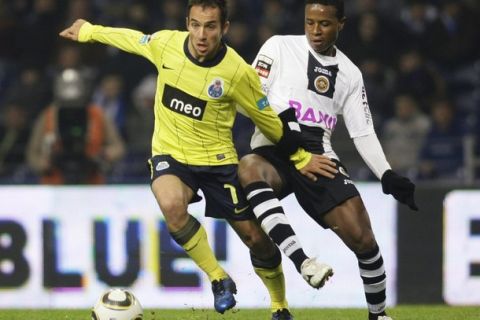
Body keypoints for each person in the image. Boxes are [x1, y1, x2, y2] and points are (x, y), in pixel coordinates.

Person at [59, 1, 336, 319]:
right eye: (195, 24)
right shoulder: (167, 45)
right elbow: (132, 39)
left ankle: (279, 306)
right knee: (171, 204)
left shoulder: (236, 71)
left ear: (224, 28)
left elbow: (267, 119)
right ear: (187, 23)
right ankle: (218, 278)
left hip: (218, 163)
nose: (201, 34)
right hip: (171, 154)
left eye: (210, 26)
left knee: (256, 239)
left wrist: (300, 156)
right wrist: (90, 31)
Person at [238, 1, 418, 320]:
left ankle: (378, 314)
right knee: (250, 167)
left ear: (341, 24)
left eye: (324, 24)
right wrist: (285, 121)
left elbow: (362, 131)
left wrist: (387, 174)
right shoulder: (278, 46)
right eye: (309, 23)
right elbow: (250, 95)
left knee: (363, 238)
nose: (315, 31)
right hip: (275, 141)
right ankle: (303, 261)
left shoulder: (349, 73)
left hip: (318, 153)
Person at [26, 68, 126, 184]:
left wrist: (104, 155)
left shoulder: (98, 115)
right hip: (53, 185)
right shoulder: (47, 116)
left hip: (92, 184)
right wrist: (42, 164)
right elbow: (32, 151)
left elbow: (119, 147)